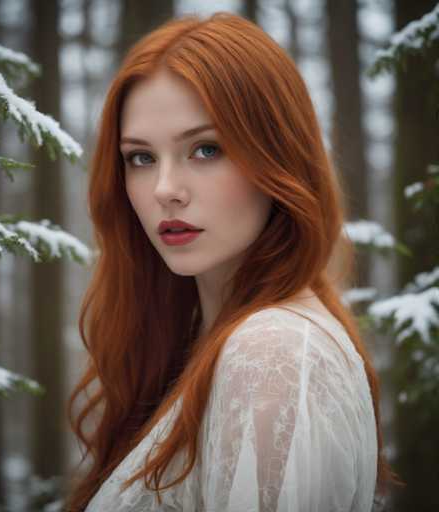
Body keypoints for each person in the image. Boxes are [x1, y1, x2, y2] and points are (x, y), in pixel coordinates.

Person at [66, 11, 403, 512]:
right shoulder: (211, 337)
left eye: (205, 149)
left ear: (279, 157)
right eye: (140, 157)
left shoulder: (275, 352)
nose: (165, 190)